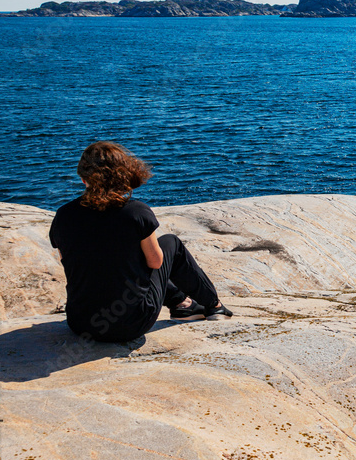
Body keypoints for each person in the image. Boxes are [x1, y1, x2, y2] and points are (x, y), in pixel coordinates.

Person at [49, 141, 232, 343]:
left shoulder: (64, 215)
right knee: (170, 244)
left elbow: (69, 263)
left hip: (80, 323)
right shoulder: (135, 213)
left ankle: (182, 303)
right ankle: (214, 306)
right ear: (123, 175)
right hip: (131, 324)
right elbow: (156, 263)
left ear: (83, 179)